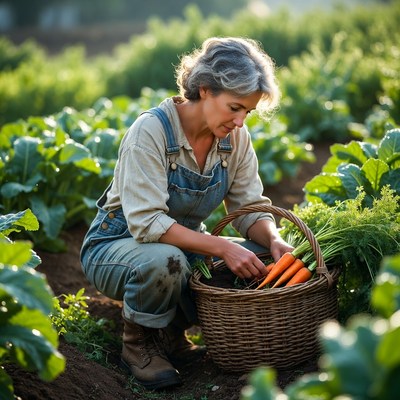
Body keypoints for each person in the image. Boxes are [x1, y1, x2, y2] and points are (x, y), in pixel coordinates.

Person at [80, 36, 293, 390]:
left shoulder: (235, 140)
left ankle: (173, 336)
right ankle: (139, 345)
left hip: (179, 245)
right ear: (206, 89)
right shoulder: (151, 131)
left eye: (248, 112)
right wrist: (222, 247)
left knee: (259, 258)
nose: (241, 122)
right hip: (117, 245)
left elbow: (247, 209)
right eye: (235, 107)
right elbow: (147, 223)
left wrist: (274, 240)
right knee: (166, 261)